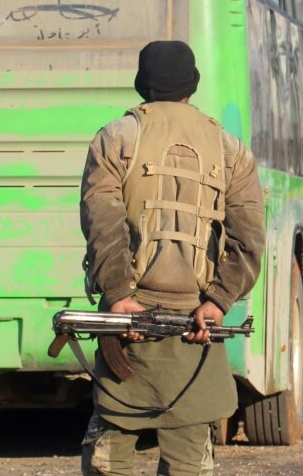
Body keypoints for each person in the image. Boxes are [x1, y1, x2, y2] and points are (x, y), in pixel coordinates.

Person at [79, 41, 265, 475]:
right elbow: (249, 238)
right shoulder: (231, 150)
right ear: (192, 86)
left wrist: (120, 292)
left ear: (143, 84)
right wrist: (217, 301)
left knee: (109, 453)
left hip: (126, 322)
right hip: (196, 324)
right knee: (188, 457)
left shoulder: (114, 138)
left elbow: (101, 221)